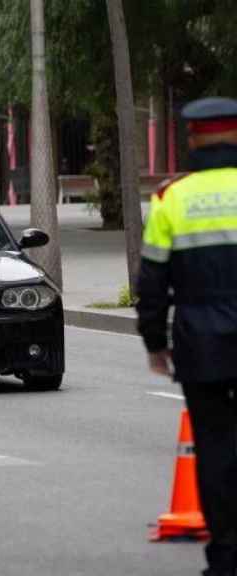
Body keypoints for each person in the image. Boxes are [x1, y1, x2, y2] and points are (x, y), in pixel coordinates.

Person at [137, 96, 237, 576]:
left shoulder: (171, 199)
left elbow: (152, 279)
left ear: (193, 140)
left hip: (203, 345)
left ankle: (224, 559)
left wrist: (154, 341)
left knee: (215, 451)